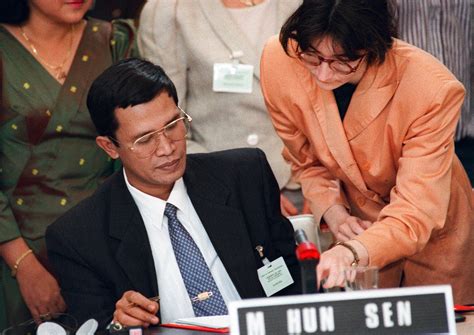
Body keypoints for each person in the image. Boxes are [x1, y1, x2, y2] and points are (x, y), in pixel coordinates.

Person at [45, 58, 302, 329]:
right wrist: (119, 325)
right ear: (109, 147)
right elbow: (94, 329)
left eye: (172, 126)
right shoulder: (78, 236)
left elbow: (291, 279)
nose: (167, 148)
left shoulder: (246, 176)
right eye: (145, 139)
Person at [260, 0, 474, 303]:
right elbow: (305, 160)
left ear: (373, 46)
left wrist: (351, 252)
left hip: (431, 228)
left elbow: (416, 211)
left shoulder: (431, 87)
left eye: (341, 61)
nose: (323, 74)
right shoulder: (280, 59)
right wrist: (334, 213)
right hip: (355, 226)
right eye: (313, 56)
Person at [0, 0, 135, 328]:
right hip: (17, 249)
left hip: (108, 242)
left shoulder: (114, 41)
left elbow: (137, 143)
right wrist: (23, 264)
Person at [138, 0, 307, 216]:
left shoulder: (304, 4)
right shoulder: (170, 10)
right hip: (224, 193)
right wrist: (239, 188)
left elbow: (330, 99)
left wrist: (325, 188)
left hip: (305, 184)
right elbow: (166, 126)